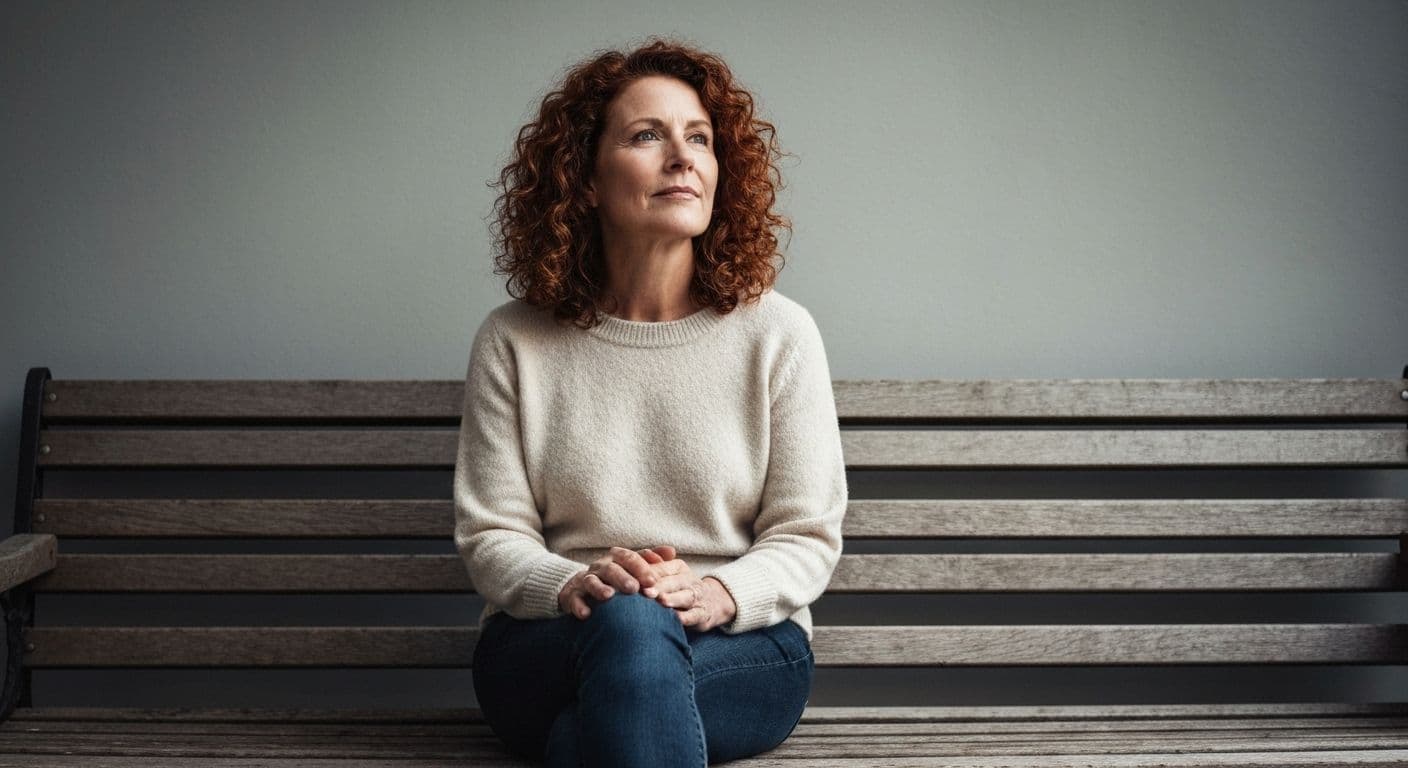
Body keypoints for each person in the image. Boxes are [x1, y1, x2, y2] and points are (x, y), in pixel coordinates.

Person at [453, 37, 847, 767]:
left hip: (743, 648)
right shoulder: (514, 340)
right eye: (646, 136)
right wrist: (574, 580)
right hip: (547, 645)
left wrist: (720, 592)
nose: (683, 157)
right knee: (630, 629)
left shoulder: (780, 334)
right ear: (586, 180)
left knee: (596, 725)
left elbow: (808, 535)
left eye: (699, 138)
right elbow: (491, 537)